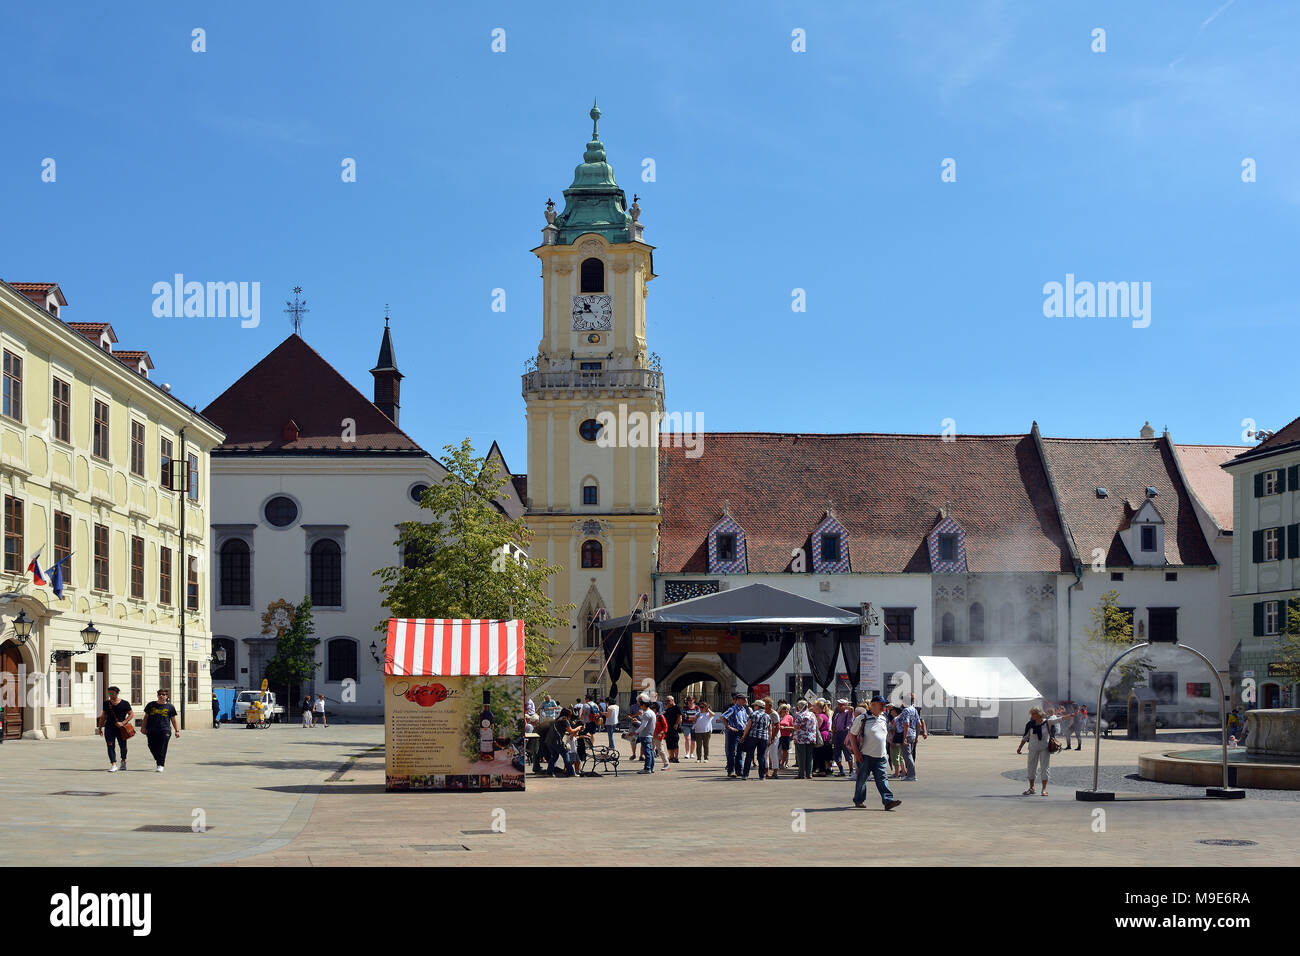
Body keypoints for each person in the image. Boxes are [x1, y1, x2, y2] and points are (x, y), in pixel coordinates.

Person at [847, 696, 903, 810]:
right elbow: (852, 735)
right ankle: (858, 800)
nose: (884, 706)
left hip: (881, 756)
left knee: (882, 779)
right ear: (872, 705)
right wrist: (856, 752)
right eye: (881, 704)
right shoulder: (862, 718)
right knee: (861, 779)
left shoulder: (884, 718)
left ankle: (888, 801)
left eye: (884, 704)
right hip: (865, 755)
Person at [1017, 706, 1057, 796]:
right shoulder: (1030, 724)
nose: (1032, 715)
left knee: (1045, 768)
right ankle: (1031, 787)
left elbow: (1059, 720)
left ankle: (1044, 789)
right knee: (1031, 768)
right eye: (1032, 713)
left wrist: (1070, 715)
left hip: (1045, 748)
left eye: (1034, 713)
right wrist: (1020, 747)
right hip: (1032, 748)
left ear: (1039, 714)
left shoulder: (1047, 722)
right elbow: (1025, 737)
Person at [97, 686, 134, 772]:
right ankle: (113, 764)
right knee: (110, 745)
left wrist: (123, 722)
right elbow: (103, 716)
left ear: (117, 693)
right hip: (109, 728)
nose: (111, 695)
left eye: (112, 693)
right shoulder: (106, 703)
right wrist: (100, 727)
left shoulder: (125, 703)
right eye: (109, 693)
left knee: (123, 746)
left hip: (121, 729)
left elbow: (131, 714)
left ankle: (123, 761)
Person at [142, 689, 180, 772]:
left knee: (163, 747)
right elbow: (145, 717)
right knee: (151, 745)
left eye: (163, 694)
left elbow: (173, 720)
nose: (161, 696)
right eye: (159, 694)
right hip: (151, 729)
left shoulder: (170, 707)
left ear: (167, 696)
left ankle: (160, 764)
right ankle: (158, 759)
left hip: (165, 729)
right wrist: (143, 727)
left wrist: (177, 730)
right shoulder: (151, 705)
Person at [739, 695, 772, 780]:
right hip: (764, 738)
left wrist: (743, 736)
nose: (754, 707)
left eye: (755, 705)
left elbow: (748, 726)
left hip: (753, 737)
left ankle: (745, 775)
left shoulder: (753, 714)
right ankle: (762, 775)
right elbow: (770, 729)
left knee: (749, 755)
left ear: (758, 706)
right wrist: (770, 739)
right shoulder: (767, 716)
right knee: (761, 757)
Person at [721, 693, 751, 778]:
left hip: (741, 732)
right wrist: (729, 727)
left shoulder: (743, 709)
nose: (745, 700)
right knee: (732, 752)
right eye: (743, 699)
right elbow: (723, 717)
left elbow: (746, 720)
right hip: (733, 732)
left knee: (740, 751)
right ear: (738, 700)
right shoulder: (732, 709)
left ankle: (739, 770)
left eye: (745, 699)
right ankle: (731, 770)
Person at [792, 700, 818, 779]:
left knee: (801, 756)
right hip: (811, 737)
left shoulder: (799, 715)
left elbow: (796, 727)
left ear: (800, 707)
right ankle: (809, 773)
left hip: (801, 738)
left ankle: (801, 774)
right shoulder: (812, 714)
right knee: (809, 756)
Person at [831, 699, 855, 776]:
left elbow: (851, 709)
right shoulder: (837, 715)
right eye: (838, 704)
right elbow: (834, 727)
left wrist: (845, 706)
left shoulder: (848, 713)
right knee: (836, 753)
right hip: (837, 734)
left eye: (840, 705)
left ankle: (851, 771)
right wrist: (833, 738)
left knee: (847, 752)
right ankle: (841, 770)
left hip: (845, 734)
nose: (838, 706)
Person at [634, 698, 658, 773]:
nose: (640, 707)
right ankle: (651, 767)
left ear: (644, 705)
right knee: (650, 752)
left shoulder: (646, 713)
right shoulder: (651, 712)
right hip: (650, 734)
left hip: (645, 735)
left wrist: (636, 732)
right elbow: (646, 724)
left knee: (647, 752)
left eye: (641, 705)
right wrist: (638, 721)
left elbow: (643, 725)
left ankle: (647, 768)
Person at [650, 700, 671, 770]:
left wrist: (661, 733)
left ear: (656, 709)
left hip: (658, 736)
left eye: (653, 708)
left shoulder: (660, 716)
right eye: (651, 707)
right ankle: (650, 764)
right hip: (651, 735)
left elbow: (665, 727)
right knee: (650, 750)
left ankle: (666, 764)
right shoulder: (650, 716)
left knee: (660, 750)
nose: (651, 709)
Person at [763, 698, 781, 779]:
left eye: (765, 704)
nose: (763, 706)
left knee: (773, 753)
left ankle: (775, 771)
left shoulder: (774, 714)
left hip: (774, 736)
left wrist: (772, 737)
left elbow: (777, 726)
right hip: (765, 736)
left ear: (769, 705)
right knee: (765, 754)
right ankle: (766, 771)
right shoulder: (764, 712)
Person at [663, 696, 683, 763]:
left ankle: (676, 758)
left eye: (668, 700)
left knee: (675, 743)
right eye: (666, 700)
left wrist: (676, 724)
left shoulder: (677, 707)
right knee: (668, 742)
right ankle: (671, 757)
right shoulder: (667, 709)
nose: (667, 702)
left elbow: (679, 717)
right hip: (667, 728)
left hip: (674, 727)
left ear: (672, 700)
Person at [777, 702, 794, 771]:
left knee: (785, 750)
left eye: (787, 709)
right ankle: (776, 763)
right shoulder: (777, 716)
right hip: (777, 735)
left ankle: (782, 763)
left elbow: (793, 727)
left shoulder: (790, 717)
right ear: (780, 709)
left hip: (786, 736)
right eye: (784, 709)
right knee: (776, 750)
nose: (786, 710)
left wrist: (785, 728)